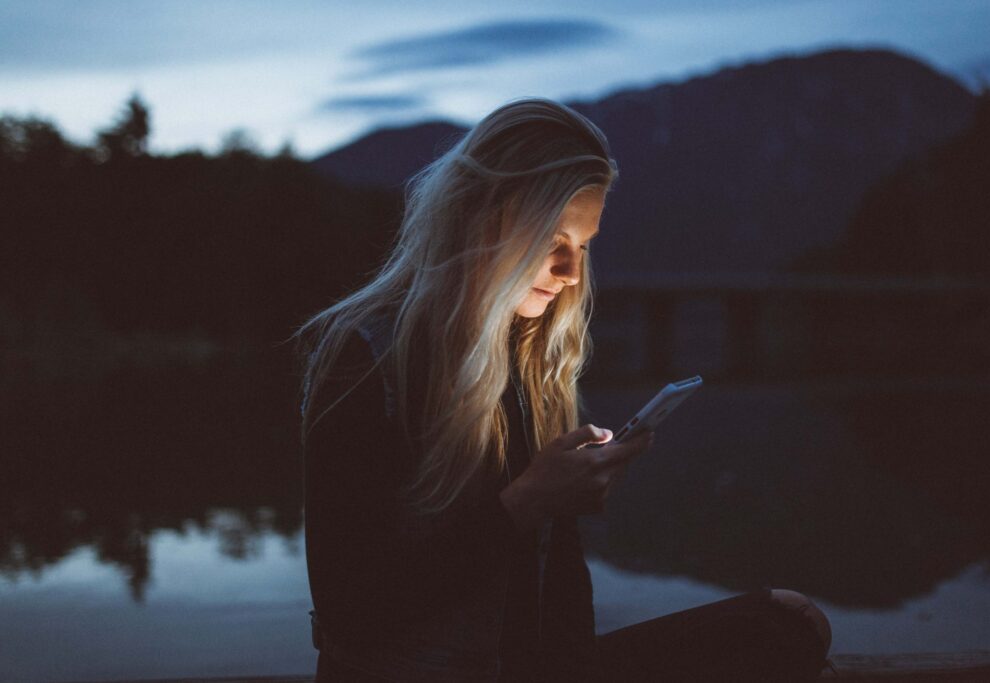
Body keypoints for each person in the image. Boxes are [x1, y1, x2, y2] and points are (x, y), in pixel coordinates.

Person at [293, 97, 833, 682]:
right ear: (481, 216)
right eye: (553, 238)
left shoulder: (527, 355)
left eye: (584, 245)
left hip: (534, 666)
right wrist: (527, 504)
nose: (571, 273)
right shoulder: (367, 357)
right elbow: (354, 613)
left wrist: (563, 500)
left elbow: (560, 596)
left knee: (789, 621)